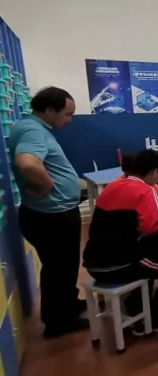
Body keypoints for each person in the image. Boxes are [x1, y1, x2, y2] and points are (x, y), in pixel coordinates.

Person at [9, 86, 86, 339]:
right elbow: (27, 163)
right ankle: (58, 323)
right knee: (58, 269)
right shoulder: (32, 130)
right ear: (50, 110)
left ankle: (69, 305)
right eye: (67, 114)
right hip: (51, 216)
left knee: (64, 265)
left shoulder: (34, 128)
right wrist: (47, 185)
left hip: (54, 212)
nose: (70, 120)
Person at [83, 150, 158, 331]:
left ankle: (137, 305)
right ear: (154, 172)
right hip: (119, 264)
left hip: (93, 262)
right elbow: (151, 227)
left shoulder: (112, 186)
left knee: (157, 255)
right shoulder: (145, 191)